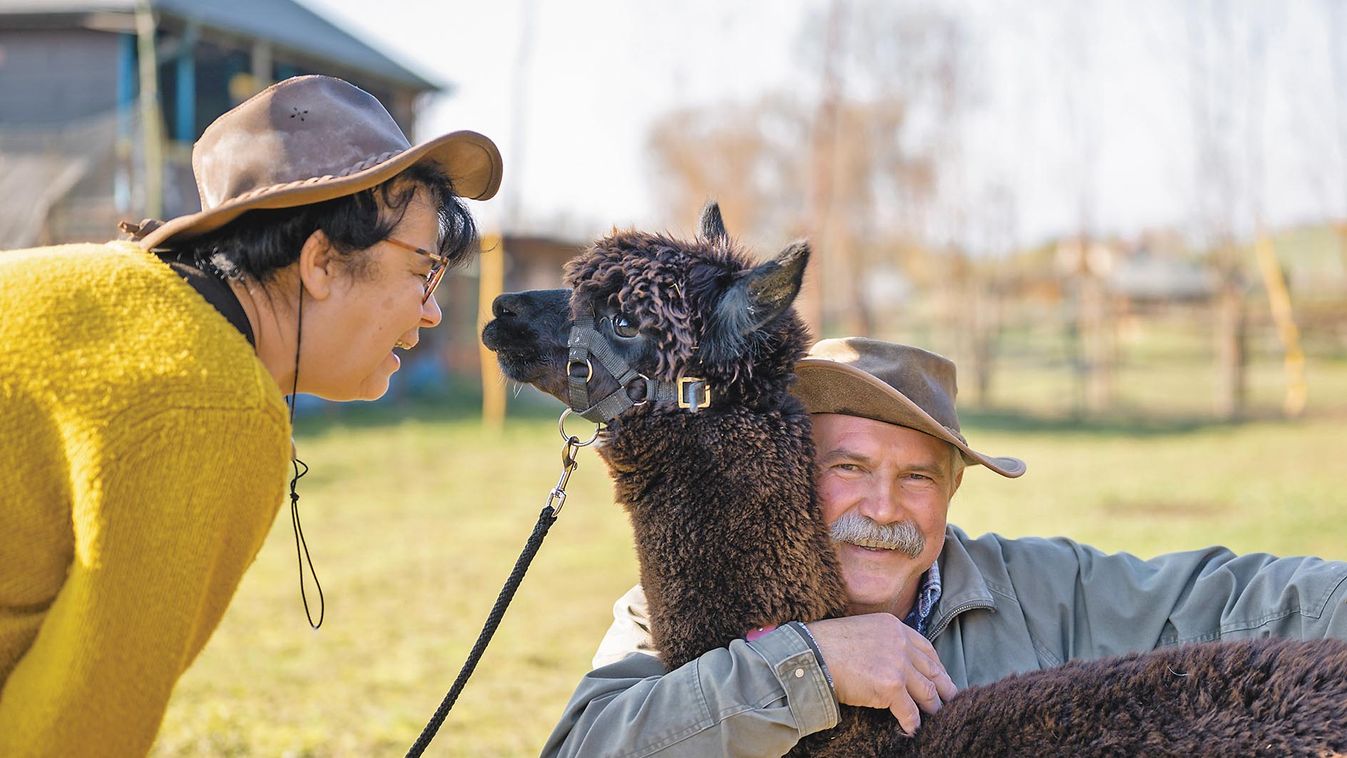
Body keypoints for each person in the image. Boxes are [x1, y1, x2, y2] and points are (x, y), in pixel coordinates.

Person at [0, 75, 501, 755]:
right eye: (423, 269)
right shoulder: (210, 400)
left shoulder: (101, 292)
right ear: (321, 260)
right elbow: (75, 734)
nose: (432, 310)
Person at [542, 337, 1347, 757]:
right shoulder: (690, 603)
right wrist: (803, 668)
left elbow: (1240, 600)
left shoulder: (1037, 588)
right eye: (848, 468)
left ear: (953, 494)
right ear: (786, 474)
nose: (883, 506)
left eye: (918, 478)